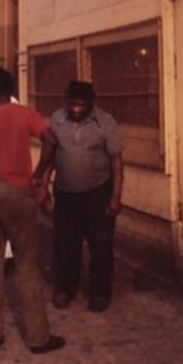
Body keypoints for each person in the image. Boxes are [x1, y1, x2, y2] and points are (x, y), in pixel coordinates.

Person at [0, 65, 65, 355]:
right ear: (12, 89)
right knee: (27, 264)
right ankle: (37, 338)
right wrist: (39, 173)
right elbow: (51, 140)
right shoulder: (25, 115)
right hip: (20, 192)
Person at [48, 80, 124, 313]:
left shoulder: (106, 122)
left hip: (97, 193)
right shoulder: (57, 119)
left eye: (81, 104)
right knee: (66, 244)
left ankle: (100, 293)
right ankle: (65, 289)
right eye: (73, 104)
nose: (77, 109)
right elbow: (50, 154)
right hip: (65, 193)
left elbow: (116, 162)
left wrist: (115, 198)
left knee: (100, 246)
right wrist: (43, 183)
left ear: (91, 103)